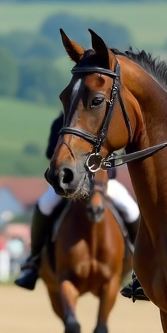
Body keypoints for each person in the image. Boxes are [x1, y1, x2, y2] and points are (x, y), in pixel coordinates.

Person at [13, 113, 141, 290]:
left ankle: (141, 266)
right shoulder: (60, 122)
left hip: (103, 182)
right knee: (44, 205)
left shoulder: (104, 117)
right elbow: (52, 152)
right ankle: (33, 262)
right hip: (70, 182)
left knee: (132, 209)